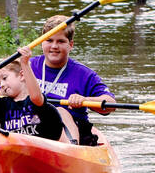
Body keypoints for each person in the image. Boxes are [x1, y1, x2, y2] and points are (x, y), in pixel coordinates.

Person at [28, 15, 116, 146]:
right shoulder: (28, 66)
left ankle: (70, 147)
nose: (54, 46)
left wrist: (85, 100)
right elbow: (7, 89)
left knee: (61, 111)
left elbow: (110, 104)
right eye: (49, 40)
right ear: (42, 43)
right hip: (32, 126)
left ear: (71, 45)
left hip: (73, 130)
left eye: (61, 41)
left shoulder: (84, 74)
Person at [0, 46, 79, 142]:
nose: (1, 84)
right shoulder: (2, 104)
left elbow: (35, 96)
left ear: (22, 76)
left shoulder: (34, 100)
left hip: (50, 146)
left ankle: (74, 142)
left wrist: (25, 63)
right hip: (20, 149)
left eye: (4, 78)